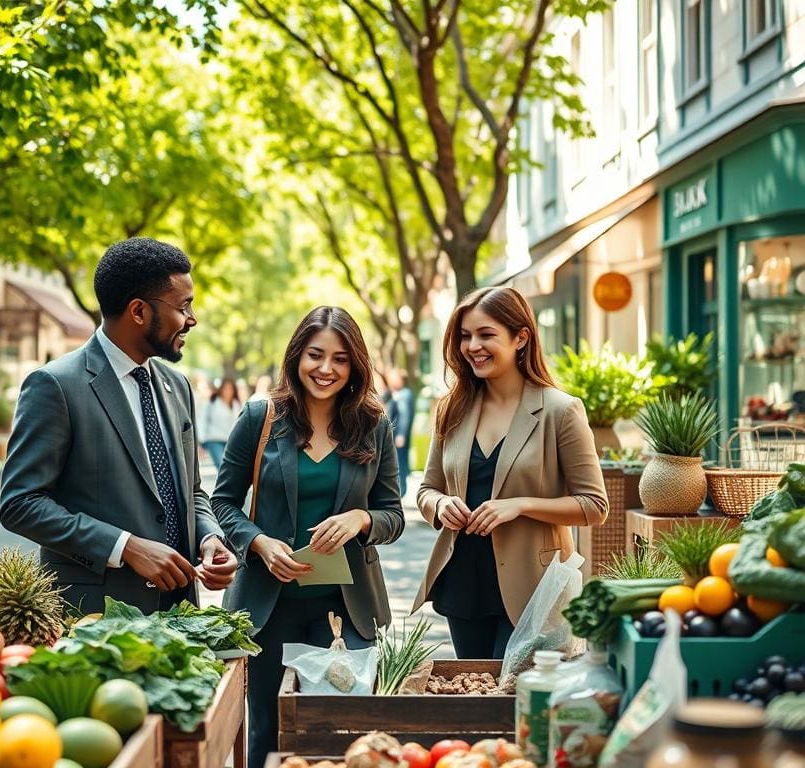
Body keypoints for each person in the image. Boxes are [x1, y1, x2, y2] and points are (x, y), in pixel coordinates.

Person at [0, 238, 237, 615]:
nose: (192, 319)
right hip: (92, 620)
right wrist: (126, 546)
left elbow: (191, 492)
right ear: (139, 311)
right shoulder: (55, 385)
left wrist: (209, 537)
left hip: (180, 612)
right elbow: (20, 504)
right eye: (183, 306)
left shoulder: (177, 386)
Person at [211, 306, 404, 768]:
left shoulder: (373, 425)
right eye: (315, 355)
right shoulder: (261, 417)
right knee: (267, 732)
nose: (326, 369)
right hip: (267, 605)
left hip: (346, 609)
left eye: (340, 359)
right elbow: (222, 502)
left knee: (340, 730)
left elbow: (392, 514)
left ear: (355, 365)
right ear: (297, 356)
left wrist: (361, 520)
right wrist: (258, 542)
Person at [411, 287, 607, 659]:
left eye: (486, 335)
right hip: (463, 582)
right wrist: (440, 505)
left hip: (534, 586)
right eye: (465, 336)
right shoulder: (451, 409)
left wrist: (520, 505)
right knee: (476, 701)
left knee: (519, 705)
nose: (472, 346)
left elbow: (594, 505)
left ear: (521, 338)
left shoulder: (560, 411)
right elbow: (427, 490)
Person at [200, 377, 239, 470]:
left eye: (230, 388)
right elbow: (202, 421)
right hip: (214, 439)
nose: (227, 391)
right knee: (222, 467)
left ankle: (226, 485)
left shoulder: (236, 404)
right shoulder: (212, 402)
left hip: (230, 441)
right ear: (221, 389)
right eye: (225, 388)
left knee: (231, 468)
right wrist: (201, 442)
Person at [386, 368, 414, 496]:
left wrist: (402, 434)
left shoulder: (405, 394)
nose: (390, 381)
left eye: (393, 378)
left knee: (400, 463)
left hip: (399, 437)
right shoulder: (394, 393)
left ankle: (401, 491)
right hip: (392, 436)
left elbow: (405, 415)